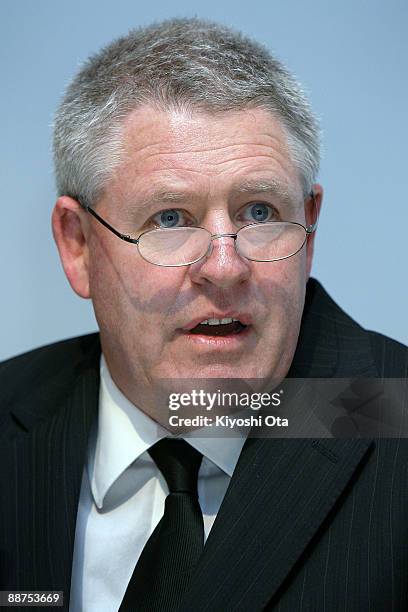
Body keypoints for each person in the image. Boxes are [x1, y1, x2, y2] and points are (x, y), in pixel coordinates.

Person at [0, 17, 407, 612]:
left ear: (310, 225)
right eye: (170, 218)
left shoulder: (389, 414)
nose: (225, 267)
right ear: (78, 245)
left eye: (260, 212)